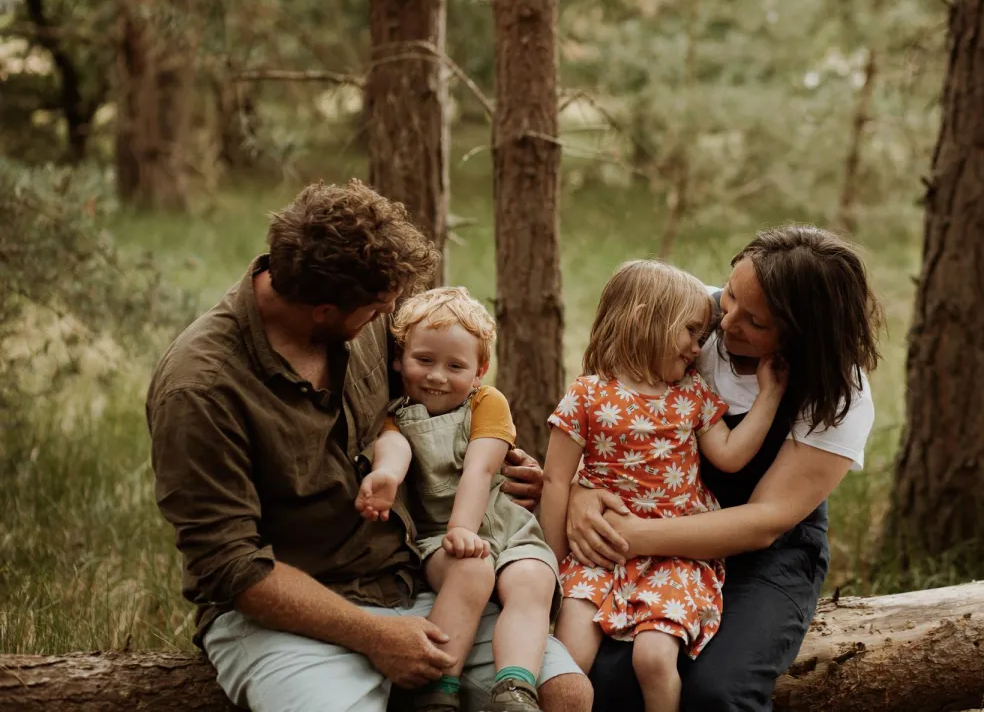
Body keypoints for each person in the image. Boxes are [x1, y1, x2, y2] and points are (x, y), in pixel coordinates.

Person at [147, 180, 590, 712]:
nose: (388, 317)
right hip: (293, 614)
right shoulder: (201, 389)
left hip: (419, 577)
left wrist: (505, 470)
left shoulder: (369, 322)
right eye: (378, 308)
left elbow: (441, 407)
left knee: (564, 694)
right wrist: (376, 638)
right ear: (324, 309)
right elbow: (230, 568)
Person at [569, 225, 882, 711]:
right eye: (730, 293)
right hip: (651, 516)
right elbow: (608, 412)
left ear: (802, 335)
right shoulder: (689, 316)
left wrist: (626, 535)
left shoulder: (838, 391)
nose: (724, 320)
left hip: (766, 553)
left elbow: (765, 522)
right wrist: (579, 491)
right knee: (611, 674)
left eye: (753, 320)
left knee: (719, 691)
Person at [539, 260, 787, 712]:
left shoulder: (690, 394)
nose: (698, 347)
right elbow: (556, 481)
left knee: (654, 659)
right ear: (644, 322)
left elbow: (730, 456)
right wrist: (552, 569)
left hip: (678, 551)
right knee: (569, 654)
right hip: (599, 551)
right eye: (692, 332)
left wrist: (769, 395)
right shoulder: (588, 395)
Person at [355, 287, 560, 712]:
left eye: (455, 366)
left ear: (480, 370)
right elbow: (396, 448)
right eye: (424, 360)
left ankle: (515, 689)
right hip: (436, 536)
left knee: (532, 581)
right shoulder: (394, 412)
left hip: (506, 525)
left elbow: (480, 469)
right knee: (471, 572)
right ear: (398, 358)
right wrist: (387, 476)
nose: (437, 376)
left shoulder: (487, 403)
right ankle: (436, 688)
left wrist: (464, 526)